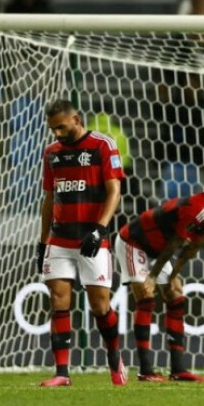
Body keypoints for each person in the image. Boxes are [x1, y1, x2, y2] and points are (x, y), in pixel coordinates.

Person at [114, 177, 204, 382]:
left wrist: (173, 276)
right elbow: (175, 243)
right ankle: (146, 370)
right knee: (146, 297)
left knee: (175, 296)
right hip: (134, 241)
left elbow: (193, 247)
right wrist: (153, 277)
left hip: (158, 249)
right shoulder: (197, 208)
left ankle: (178, 369)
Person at [38, 100, 127, 387]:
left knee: (100, 306)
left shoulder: (102, 145)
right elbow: (50, 199)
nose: (57, 134)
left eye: (61, 127)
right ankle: (62, 373)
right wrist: (42, 243)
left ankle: (115, 362)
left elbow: (115, 190)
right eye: (53, 129)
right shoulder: (51, 153)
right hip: (60, 239)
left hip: (92, 239)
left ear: (76, 119)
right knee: (58, 300)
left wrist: (100, 230)